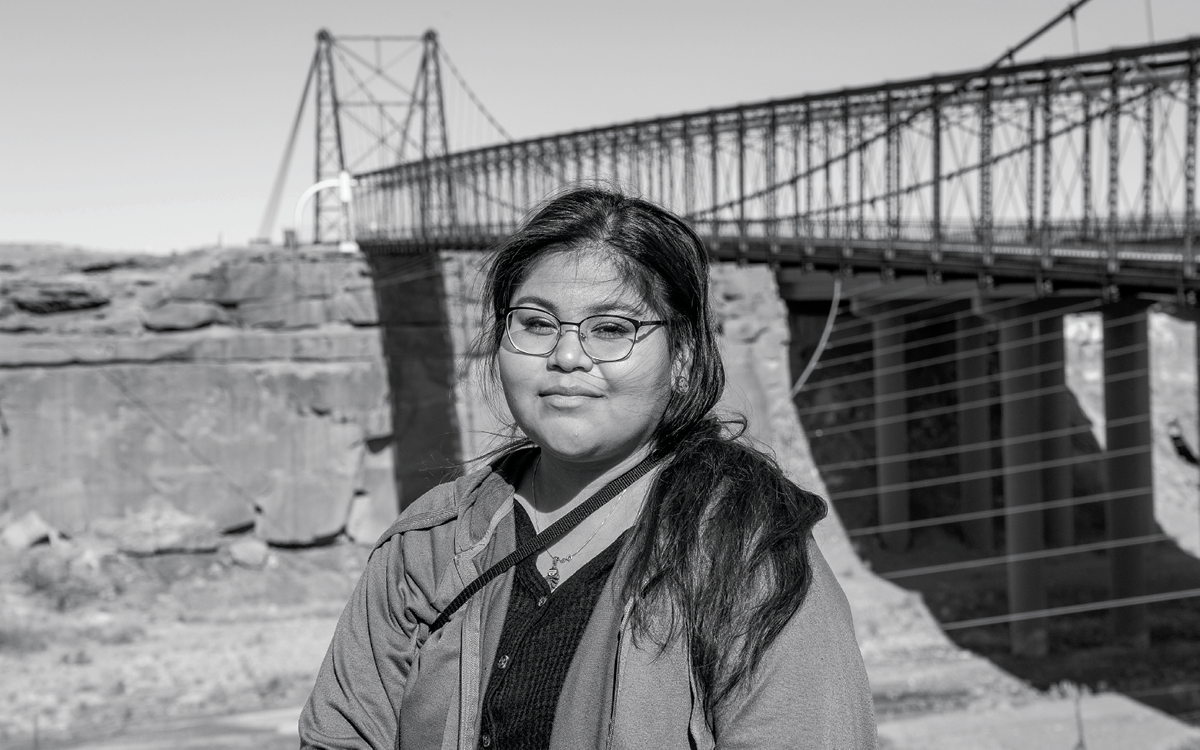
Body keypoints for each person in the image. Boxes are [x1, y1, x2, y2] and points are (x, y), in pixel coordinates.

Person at [299, 186, 876, 749]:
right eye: (536, 323)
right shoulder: (431, 545)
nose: (567, 356)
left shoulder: (746, 556)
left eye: (611, 329)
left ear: (682, 358)